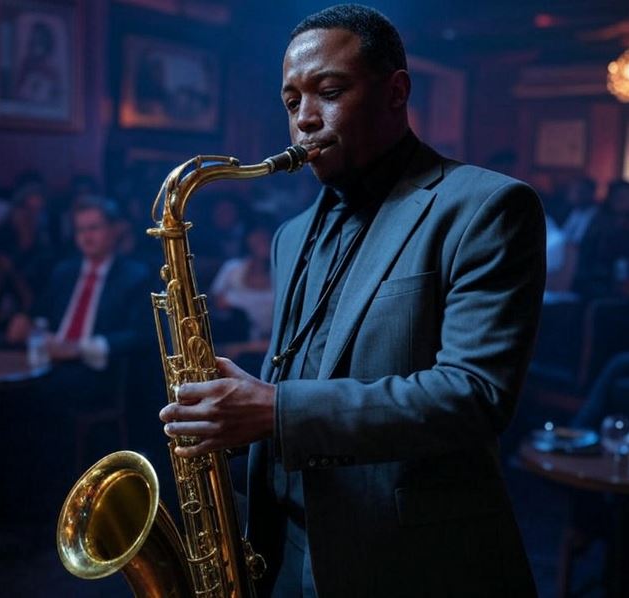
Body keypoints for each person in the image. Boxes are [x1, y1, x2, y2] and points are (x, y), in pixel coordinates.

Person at [159, 5, 545, 597]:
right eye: (291, 103)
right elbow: (309, 373)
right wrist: (236, 414)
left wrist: (275, 410)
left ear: (397, 92)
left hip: (408, 562)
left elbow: (475, 395)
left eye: (329, 91)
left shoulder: (486, 207)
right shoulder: (291, 236)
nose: (304, 121)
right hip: (280, 552)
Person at [6, 196, 149, 398]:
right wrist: (25, 320)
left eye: (94, 228)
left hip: (95, 369)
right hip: (51, 358)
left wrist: (79, 349)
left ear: (114, 230)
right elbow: (40, 311)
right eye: (80, 230)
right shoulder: (65, 272)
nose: (86, 236)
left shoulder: (134, 276)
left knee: (34, 390)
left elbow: (139, 335)